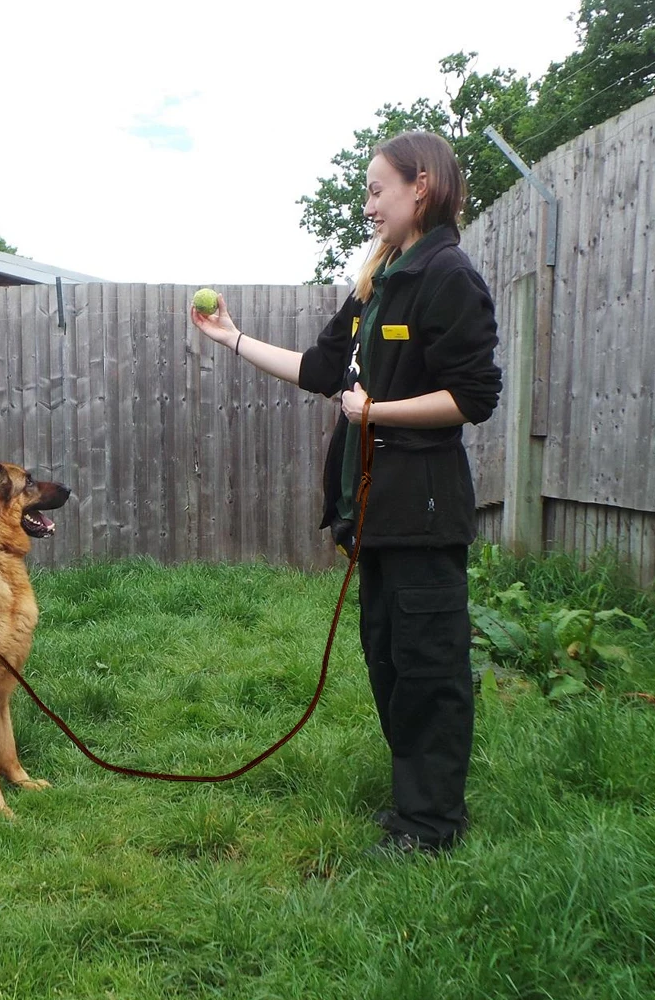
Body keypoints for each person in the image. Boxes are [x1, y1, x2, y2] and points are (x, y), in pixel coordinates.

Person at [191, 131, 502, 855]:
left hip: (425, 506)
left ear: (420, 186)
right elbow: (322, 369)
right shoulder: (380, 279)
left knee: (429, 665)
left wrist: (379, 413)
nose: (368, 206)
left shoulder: (447, 274)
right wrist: (231, 338)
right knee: (389, 656)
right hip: (376, 509)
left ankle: (431, 826)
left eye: (375, 189)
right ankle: (414, 802)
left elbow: (474, 395)